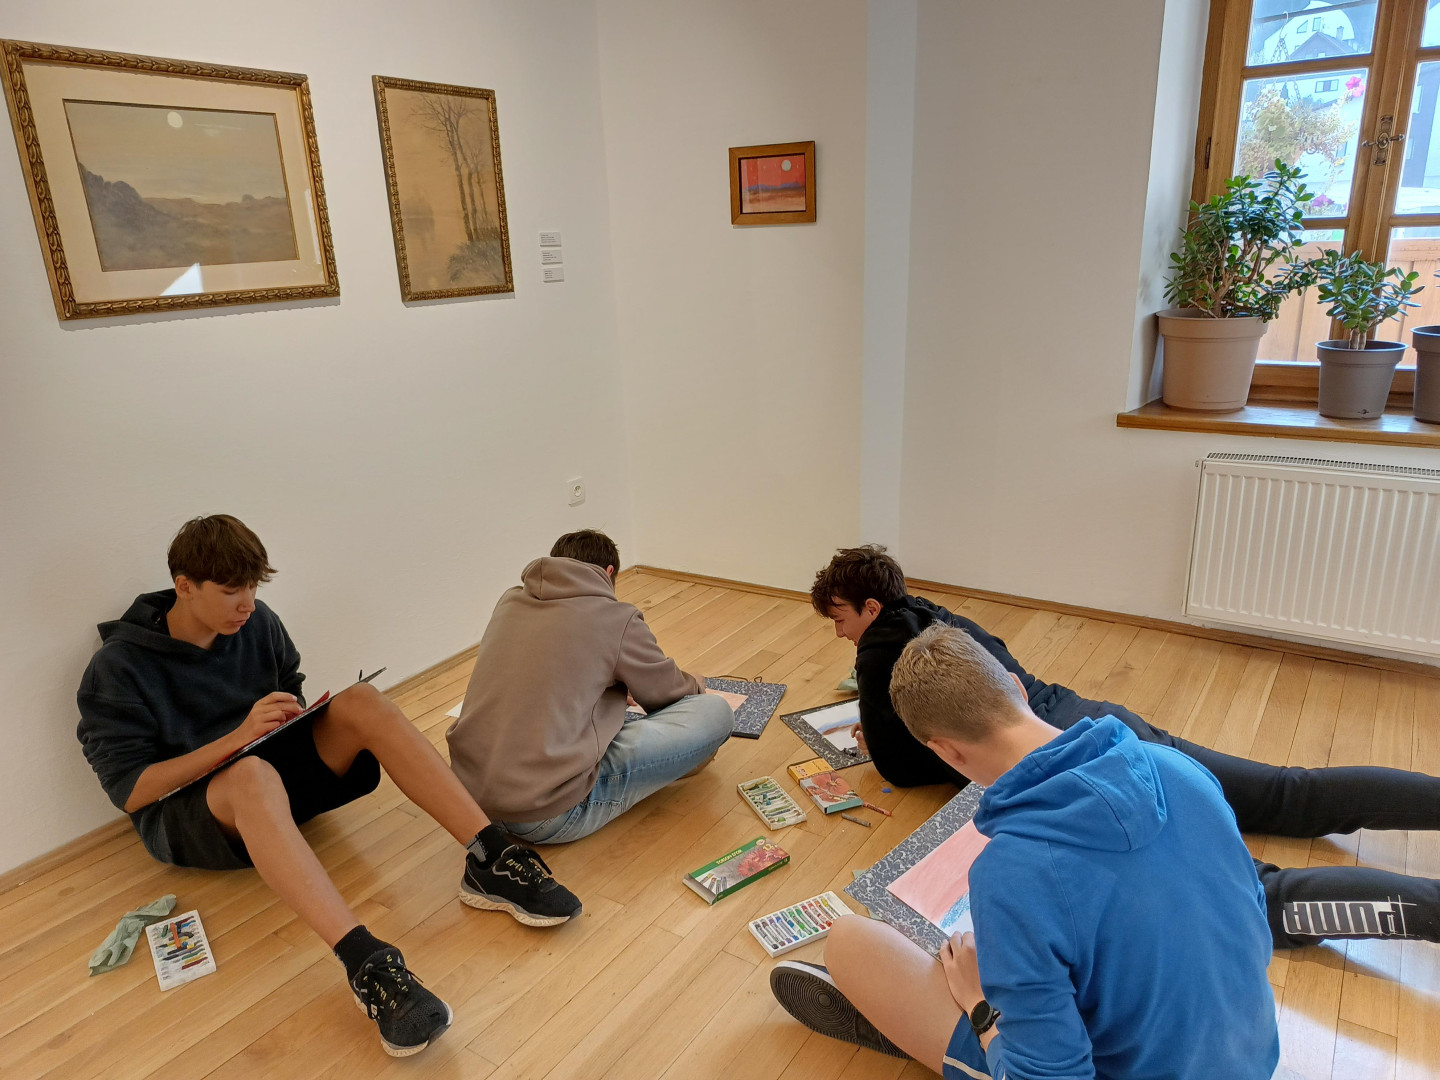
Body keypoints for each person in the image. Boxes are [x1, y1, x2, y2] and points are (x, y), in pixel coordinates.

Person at [77, 515, 581, 1059]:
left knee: (360, 701)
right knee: (250, 775)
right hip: (190, 815)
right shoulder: (118, 667)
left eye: (253, 588)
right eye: (230, 591)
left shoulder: (257, 623)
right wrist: (237, 738)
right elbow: (131, 791)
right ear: (184, 586)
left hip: (265, 778)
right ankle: (367, 964)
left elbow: (287, 691)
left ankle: (490, 856)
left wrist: (290, 717)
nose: (246, 604)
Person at [810, 544, 1440, 948]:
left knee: (1256, 898)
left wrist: (883, 727)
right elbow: (1000, 683)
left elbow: (899, 768)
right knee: (1288, 791)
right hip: (1102, 722)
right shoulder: (936, 615)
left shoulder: (879, 652)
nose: (840, 634)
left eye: (840, 619)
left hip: (1080, 779)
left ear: (870, 608)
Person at [770, 625, 1280, 1079]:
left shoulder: (1012, 872)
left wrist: (980, 1006)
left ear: (944, 749)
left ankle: (930, 1035)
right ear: (1015, 687)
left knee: (849, 941)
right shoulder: (1179, 769)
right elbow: (1252, 921)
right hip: (1252, 1057)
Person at [446, 529, 733, 844]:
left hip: (469, 803)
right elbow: (668, 695)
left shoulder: (509, 601)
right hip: (546, 814)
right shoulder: (616, 617)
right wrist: (697, 683)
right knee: (714, 712)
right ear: (609, 573)